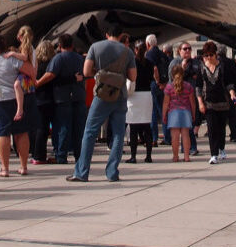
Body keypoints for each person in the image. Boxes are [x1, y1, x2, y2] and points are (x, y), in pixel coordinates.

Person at [66, 27, 137, 182]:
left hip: (102, 94)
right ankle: (112, 172)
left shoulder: (96, 47)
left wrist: (100, 74)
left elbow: (86, 72)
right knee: (118, 133)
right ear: (120, 35)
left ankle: (82, 172)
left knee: (90, 131)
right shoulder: (128, 52)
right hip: (120, 94)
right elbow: (132, 76)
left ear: (106, 34)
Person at [0, 31, 36, 177]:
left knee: (3, 132)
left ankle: (5, 168)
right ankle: (23, 166)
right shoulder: (12, 59)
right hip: (16, 98)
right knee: (21, 132)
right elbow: (31, 71)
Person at [36, 34, 86, 164]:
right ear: (72, 45)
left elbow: (50, 74)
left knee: (63, 127)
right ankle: (79, 155)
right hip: (79, 96)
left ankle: (61, 155)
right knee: (78, 128)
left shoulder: (58, 58)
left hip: (62, 97)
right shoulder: (80, 58)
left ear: (59, 45)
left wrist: (37, 83)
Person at [196, 41, 236, 164]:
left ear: (216, 55)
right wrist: (200, 103)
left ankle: (221, 148)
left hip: (222, 102)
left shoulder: (223, 66)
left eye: (211, 55)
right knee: (212, 128)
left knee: (221, 128)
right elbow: (198, 87)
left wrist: (232, 94)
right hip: (208, 102)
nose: (208, 58)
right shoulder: (202, 68)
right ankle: (213, 154)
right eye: (206, 55)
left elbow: (229, 83)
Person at [125, 41, 155, 164]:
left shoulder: (132, 63)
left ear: (135, 49)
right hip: (146, 95)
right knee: (146, 126)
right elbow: (151, 78)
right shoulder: (149, 63)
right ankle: (148, 155)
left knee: (133, 127)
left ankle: (133, 156)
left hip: (134, 95)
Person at [162, 64, 195, 162]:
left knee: (175, 137)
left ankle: (175, 156)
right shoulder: (188, 86)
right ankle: (186, 156)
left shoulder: (169, 87)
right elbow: (192, 102)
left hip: (173, 112)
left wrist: (164, 115)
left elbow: (165, 103)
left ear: (172, 75)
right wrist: (193, 114)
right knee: (185, 135)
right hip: (186, 112)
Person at [144, 35, 170, 145]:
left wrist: (157, 81)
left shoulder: (149, 54)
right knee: (163, 111)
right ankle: (167, 137)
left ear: (148, 44)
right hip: (163, 85)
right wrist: (164, 83)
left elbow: (154, 68)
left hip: (154, 84)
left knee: (153, 112)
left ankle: (153, 138)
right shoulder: (162, 54)